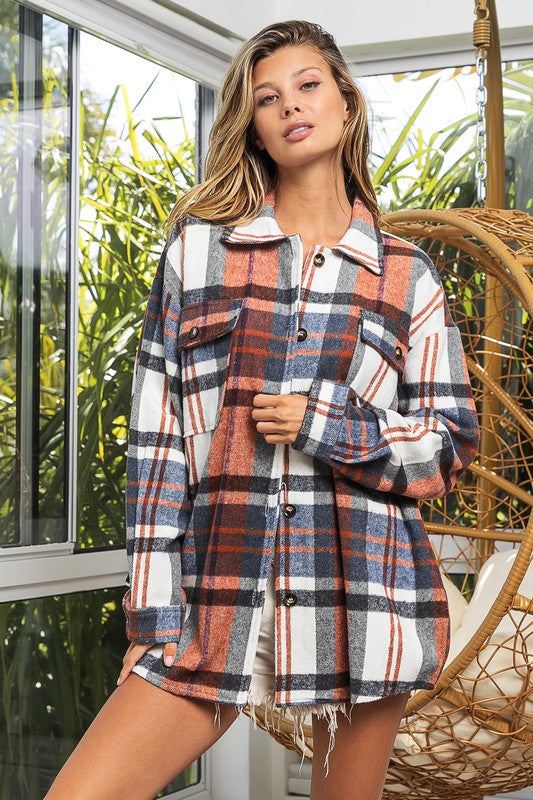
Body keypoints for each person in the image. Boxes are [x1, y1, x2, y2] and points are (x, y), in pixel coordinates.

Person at [44, 18, 480, 800]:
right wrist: (151, 613)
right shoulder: (197, 253)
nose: (289, 106)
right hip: (219, 589)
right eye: (266, 97)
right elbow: (158, 441)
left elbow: (448, 446)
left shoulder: (407, 276)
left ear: (344, 102)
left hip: (364, 593)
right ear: (251, 124)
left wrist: (324, 425)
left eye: (308, 85)